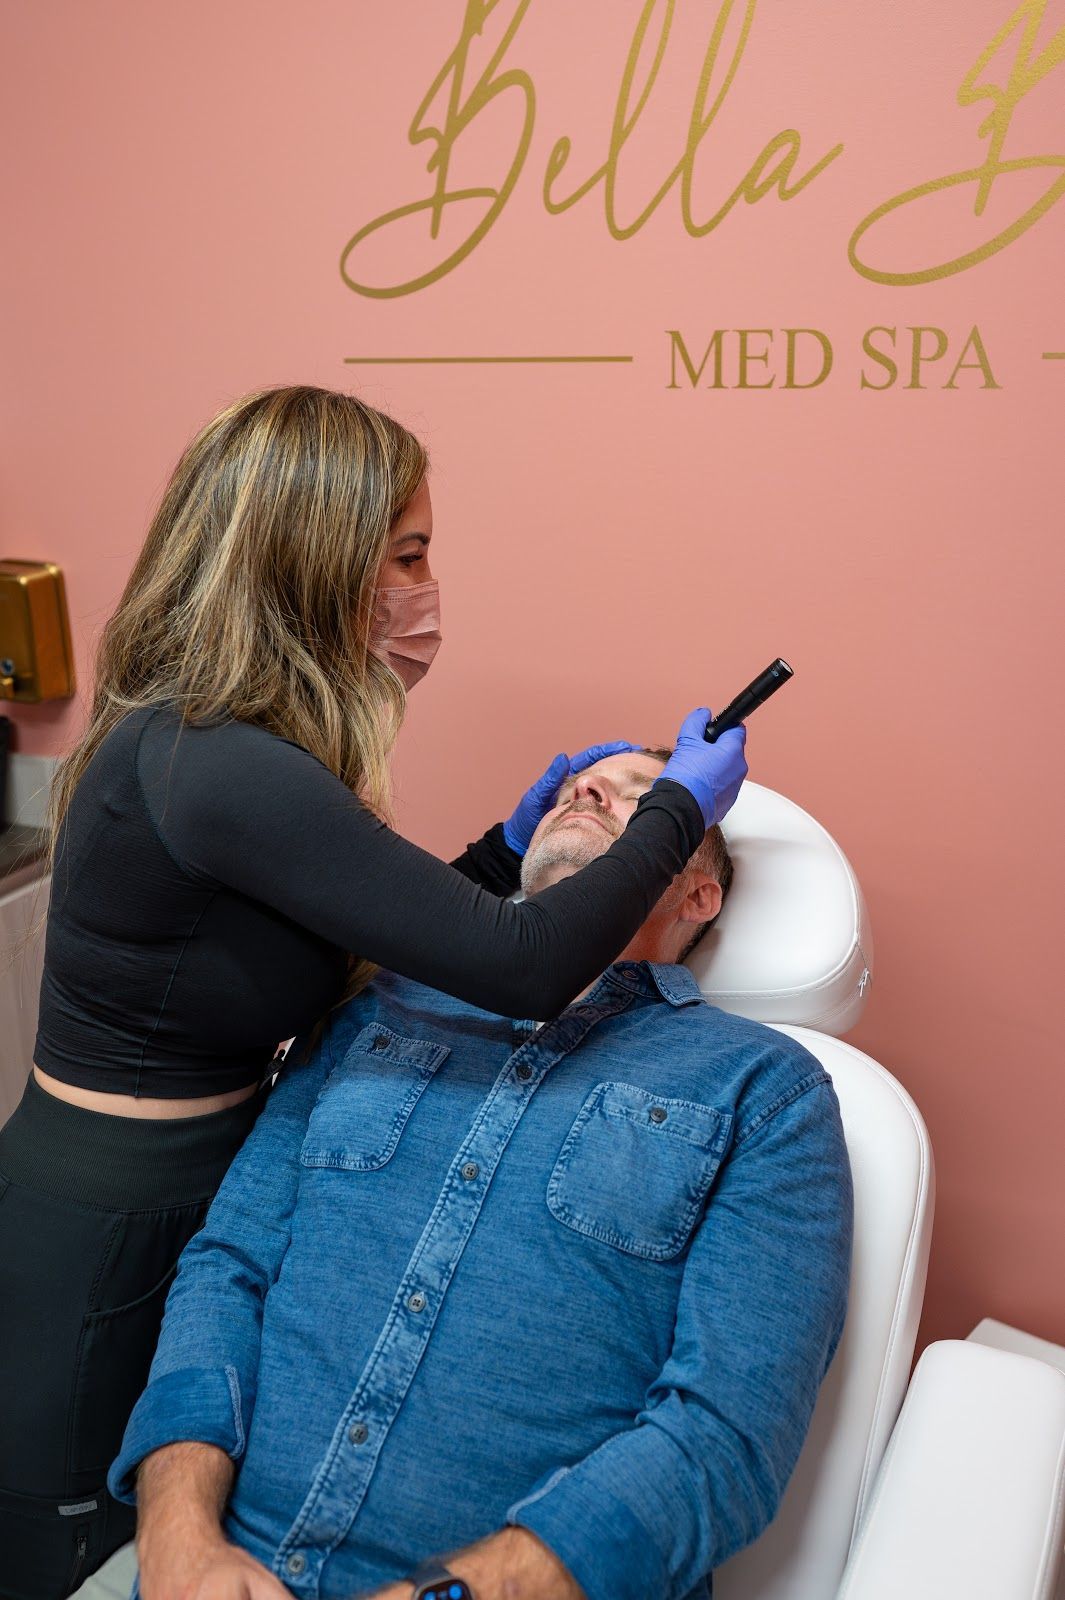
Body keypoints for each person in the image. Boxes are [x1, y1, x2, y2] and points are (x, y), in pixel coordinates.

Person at [0, 387, 749, 1600]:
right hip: (107, 1231)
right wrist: (671, 812)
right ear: (319, 560)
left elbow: (385, 935)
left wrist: (507, 858)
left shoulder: (755, 1090)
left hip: (182, 1180)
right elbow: (517, 962)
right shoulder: (222, 762)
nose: (424, 586)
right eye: (406, 554)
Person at [111, 745, 854, 1600]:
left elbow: (724, 1433)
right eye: (587, 783)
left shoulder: (763, 1091)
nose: (590, 791)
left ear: (698, 894)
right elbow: (228, 1267)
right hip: (219, 1568)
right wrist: (177, 1539)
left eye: (646, 800)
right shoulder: (378, 1010)